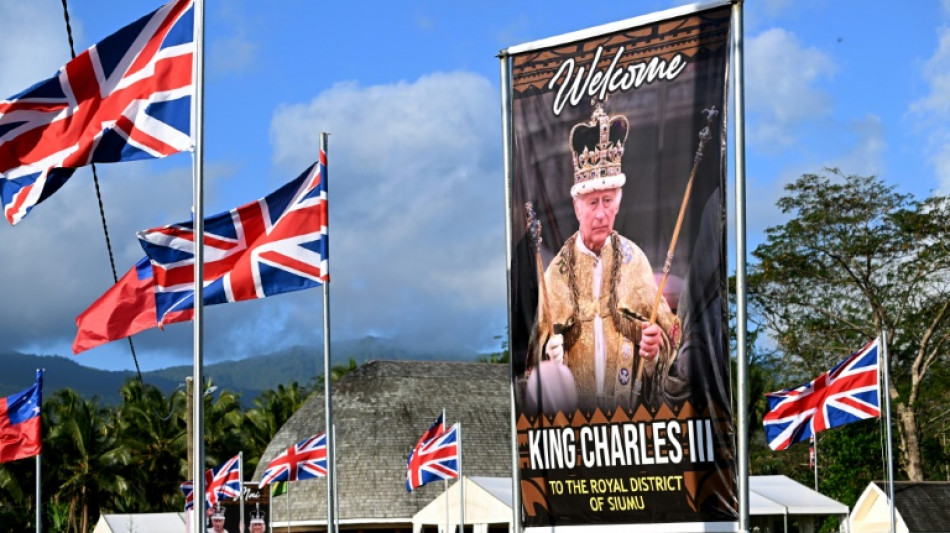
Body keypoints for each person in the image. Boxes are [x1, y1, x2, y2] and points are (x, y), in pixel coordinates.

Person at [530, 102, 680, 413]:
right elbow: (535, 344)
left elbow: (667, 332)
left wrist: (654, 349)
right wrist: (548, 351)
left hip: (627, 417)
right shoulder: (556, 272)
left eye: (608, 201)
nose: (601, 213)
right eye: (593, 202)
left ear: (618, 203)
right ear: (577, 207)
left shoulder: (634, 259)